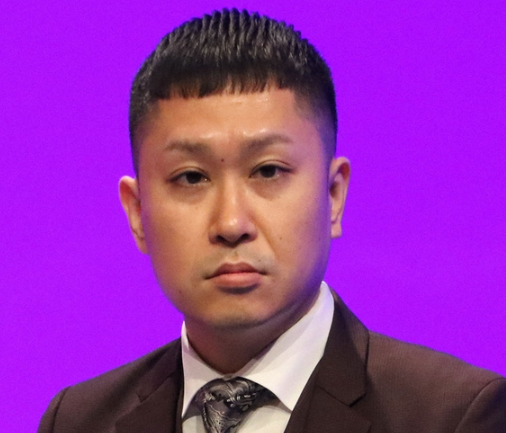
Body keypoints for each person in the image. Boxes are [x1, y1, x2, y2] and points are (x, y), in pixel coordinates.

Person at [38, 8, 506, 433]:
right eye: (192, 177)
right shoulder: (78, 421)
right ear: (138, 213)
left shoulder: (454, 416)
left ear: (333, 195)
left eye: (267, 171)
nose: (231, 222)